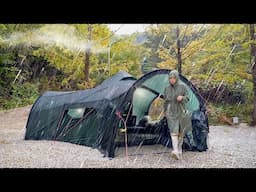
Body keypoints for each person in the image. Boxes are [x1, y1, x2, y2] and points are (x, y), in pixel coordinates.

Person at [163, 70, 191, 160]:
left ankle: (179, 149)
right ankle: (175, 151)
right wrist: (165, 111)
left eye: (174, 78)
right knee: (173, 131)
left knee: (181, 132)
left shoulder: (182, 87)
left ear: (177, 78)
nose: (172, 80)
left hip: (181, 112)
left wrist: (182, 97)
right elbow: (166, 101)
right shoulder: (167, 89)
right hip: (171, 112)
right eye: (170, 78)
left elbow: (188, 98)